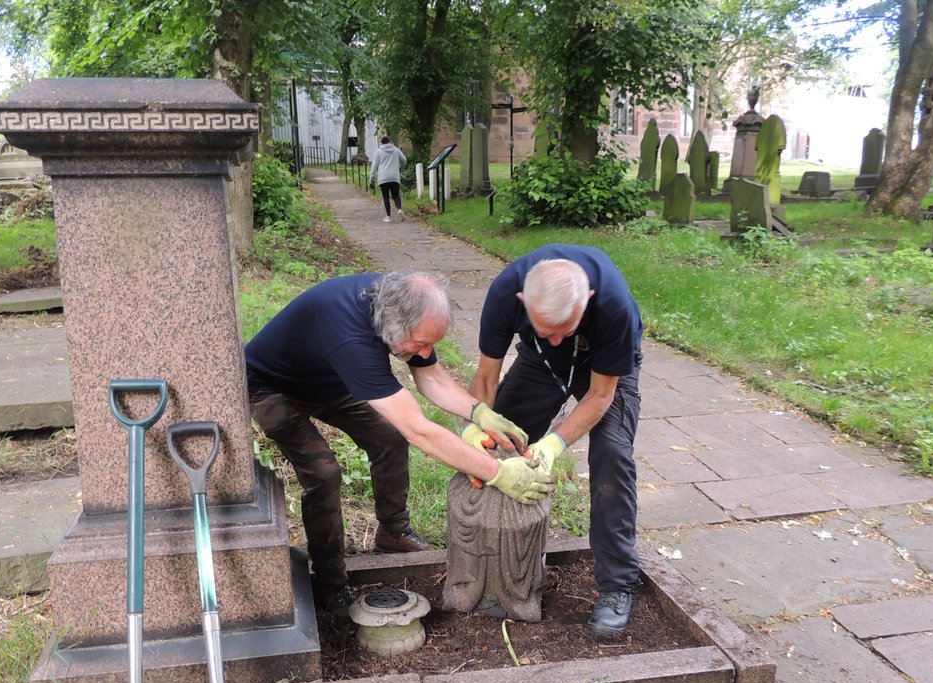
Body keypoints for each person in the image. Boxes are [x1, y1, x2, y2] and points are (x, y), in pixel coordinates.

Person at [246, 271, 555, 608]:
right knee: (323, 473)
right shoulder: (351, 337)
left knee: (389, 437)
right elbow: (418, 429)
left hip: (328, 377)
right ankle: (329, 579)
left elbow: (432, 378)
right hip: (270, 386)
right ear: (393, 327)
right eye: (421, 343)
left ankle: (393, 532)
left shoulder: (401, 304)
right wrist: (497, 472)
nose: (426, 352)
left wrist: (479, 412)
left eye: (431, 343)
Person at [468, 245, 644, 638]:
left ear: (588, 300)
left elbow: (600, 395)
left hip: (603, 367)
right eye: (546, 330)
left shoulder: (614, 306)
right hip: (538, 365)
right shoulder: (505, 293)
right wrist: (478, 425)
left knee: (613, 455)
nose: (557, 339)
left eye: (566, 329)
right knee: (498, 445)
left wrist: (552, 445)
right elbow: (486, 377)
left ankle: (618, 585)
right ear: (523, 302)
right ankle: (492, 565)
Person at [370, 136, 407, 222]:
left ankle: (388, 216)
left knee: (385, 197)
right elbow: (404, 160)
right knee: (396, 195)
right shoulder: (396, 150)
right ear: (389, 141)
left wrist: (372, 177)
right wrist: (398, 167)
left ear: (381, 142)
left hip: (383, 177)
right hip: (394, 176)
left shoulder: (379, 152)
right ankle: (399, 209)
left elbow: (374, 165)